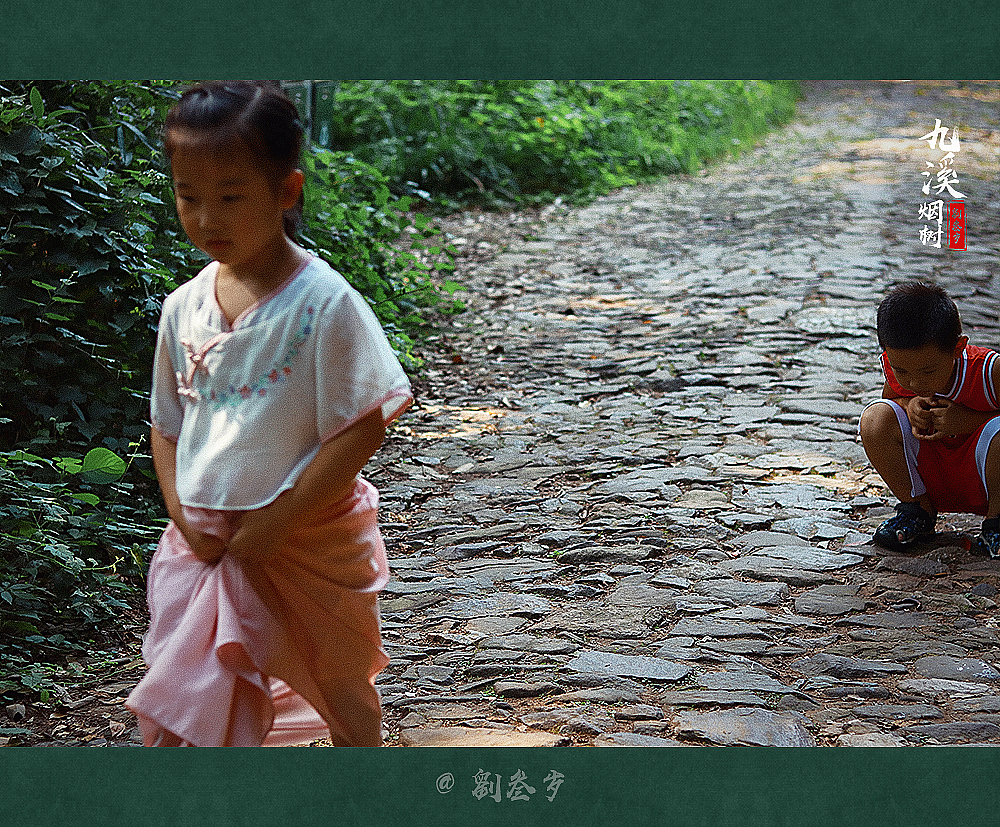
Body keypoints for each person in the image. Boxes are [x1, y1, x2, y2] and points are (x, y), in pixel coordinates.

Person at [125, 81, 413, 746]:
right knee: (190, 696)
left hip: (311, 541)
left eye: (230, 197)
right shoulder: (182, 309)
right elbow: (167, 425)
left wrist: (281, 518)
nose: (206, 218)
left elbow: (365, 421)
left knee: (341, 687)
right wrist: (182, 514)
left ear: (286, 191)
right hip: (206, 545)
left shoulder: (324, 303)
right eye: (187, 196)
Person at [859, 281, 1000, 557]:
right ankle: (916, 510)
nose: (913, 380)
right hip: (934, 474)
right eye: (901, 370)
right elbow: (890, 405)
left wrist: (970, 421)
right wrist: (908, 404)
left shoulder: (989, 372)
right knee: (875, 418)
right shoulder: (897, 368)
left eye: (927, 371)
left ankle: (997, 524)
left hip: (988, 479)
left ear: (959, 348)